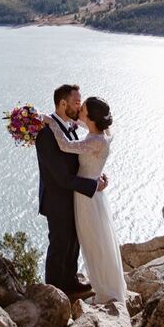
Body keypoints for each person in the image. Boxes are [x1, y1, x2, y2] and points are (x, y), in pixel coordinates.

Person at [41, 95, 127, 305]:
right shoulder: (102, 133)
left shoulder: (94, 140)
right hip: (92, 193)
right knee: (93, 239)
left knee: (92, 242)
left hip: (87, 197)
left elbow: (65, 145)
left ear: (90, 117)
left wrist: (50, 121)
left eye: (83, 109)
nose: (79, 110)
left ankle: (105, 289)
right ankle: (99, 283)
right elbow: (78, 124)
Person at [35, 84, 108, 299]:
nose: (80, 106)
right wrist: (92, 186)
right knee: (60, 243)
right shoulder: (47, 134)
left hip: (73, 196)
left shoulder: (70, 127)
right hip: (57, 198)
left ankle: (70, 281)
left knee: (74, 240)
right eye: (77, 102)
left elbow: (80, 161)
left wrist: (96, 175)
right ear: (63, 103)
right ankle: (54, 293)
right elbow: (61, 177)